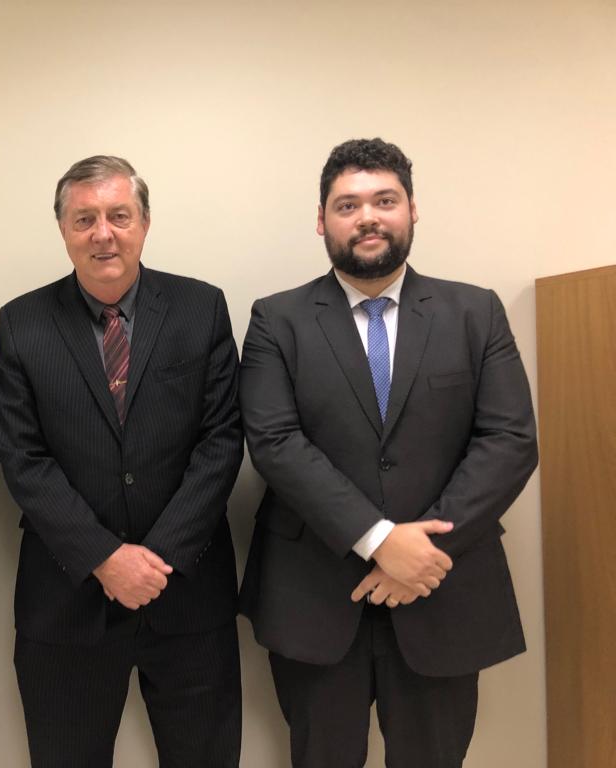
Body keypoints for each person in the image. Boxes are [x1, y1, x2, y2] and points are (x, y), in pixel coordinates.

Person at [238, 137, 538, 767]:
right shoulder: (276, 320)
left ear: (412, 210)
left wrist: (421, 553)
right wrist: (379, 539)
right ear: (322, 220)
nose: (368, 216)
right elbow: (274, 441)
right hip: (315, 599)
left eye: (384, 200)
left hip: (442, 590)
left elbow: (509, 440)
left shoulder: (474, 312)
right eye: (348, 205)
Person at [0, 155, 243, 768]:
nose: (102, 232)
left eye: (118, 215)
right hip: (67, 598)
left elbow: (221, 440)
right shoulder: (22, 323)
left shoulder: (201, 308)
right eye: (84, 219)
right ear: (63, 229)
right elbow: (23, 458)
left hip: (187, 592)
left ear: (145, 223)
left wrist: (157, 559)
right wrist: (104, 558)